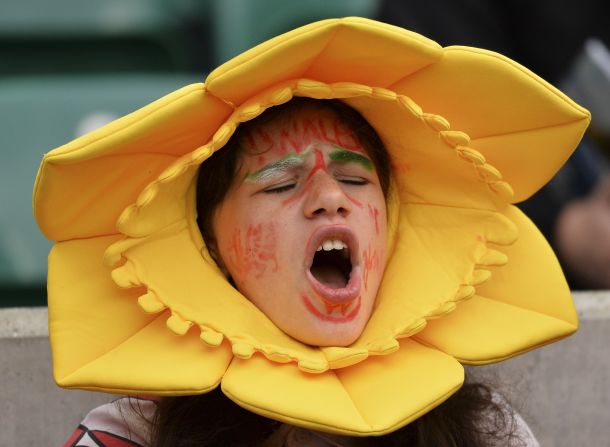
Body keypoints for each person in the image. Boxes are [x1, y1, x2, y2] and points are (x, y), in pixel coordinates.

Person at [33, 17, 588, 447]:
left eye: (353, 178)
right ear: (212, 248)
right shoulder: (131, 434)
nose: (330, 198)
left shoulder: (488, 434)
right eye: (279, 186)